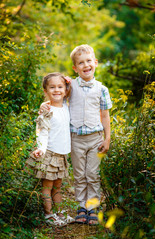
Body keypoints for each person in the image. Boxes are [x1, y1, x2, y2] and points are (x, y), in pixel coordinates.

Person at [40, 45, 112, 225]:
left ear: (95, 63)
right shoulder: (70, 86)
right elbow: (57, 96)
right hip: (76, 139)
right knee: (79, 174)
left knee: (93, 173)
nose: (85, 65)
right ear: (75, 68)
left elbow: (105, 115)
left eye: (89, 61)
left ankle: (93, 207)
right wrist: (45, 104)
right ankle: (81, 206)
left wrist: (107, 137)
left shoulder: (102, 89)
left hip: (95, 138)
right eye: (81, 63)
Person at [26, 72, 74, 226]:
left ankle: (59, 213)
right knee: (48, 186)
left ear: (65, 89)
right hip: (49, 154)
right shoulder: (46, 111)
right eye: (52, 87)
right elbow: (42, 132)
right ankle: (49, 214)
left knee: (58, 186)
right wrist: (41, 148)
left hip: (62, 154)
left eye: (60, 87)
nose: (56, 90)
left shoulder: (67, 106)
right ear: (45, 91)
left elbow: (73, 91)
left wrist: (69, 82)